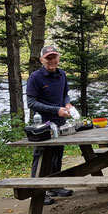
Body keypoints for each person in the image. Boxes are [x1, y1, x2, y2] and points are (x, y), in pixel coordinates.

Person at [26, 45, 74, 205]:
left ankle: (55, 186)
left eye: (54, 57)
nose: (52, 61)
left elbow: (65, 95)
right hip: (42, 125)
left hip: (60, 122)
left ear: (58, 58)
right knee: (40, 156)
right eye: (48, 58)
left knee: (57, 154)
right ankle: (37, 191)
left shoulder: (62, 75)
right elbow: (31, 102)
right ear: (42, 60)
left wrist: (67, 104)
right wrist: (56, 110)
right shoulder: (35, 77)